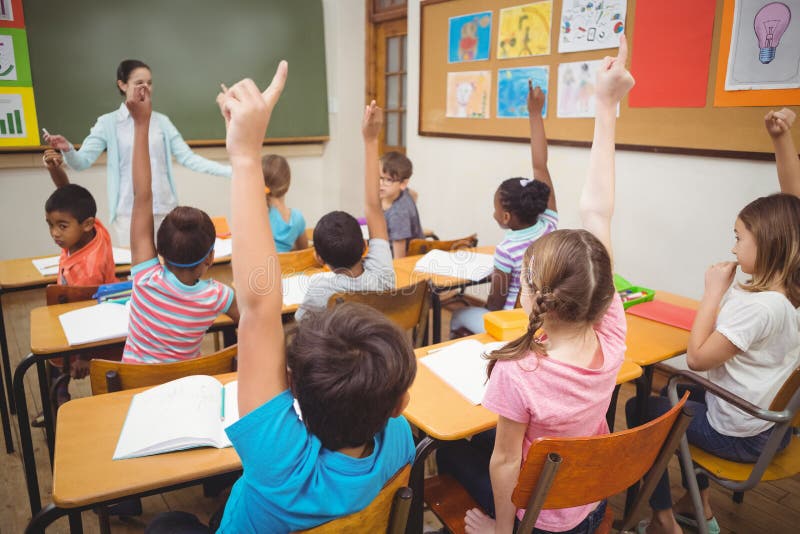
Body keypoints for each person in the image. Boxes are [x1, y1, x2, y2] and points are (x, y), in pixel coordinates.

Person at [146, 62, 417, 534]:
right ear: (399, 403)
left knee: (169, 523)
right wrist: (247, 158)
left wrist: (246, 156)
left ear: (291, 385)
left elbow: (257, 309)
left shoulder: (278, 464)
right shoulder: (402, 441)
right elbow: (260, 312)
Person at [436, 37, 635, 534]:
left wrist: (505, 532)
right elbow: (599, 211)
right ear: (600, 294)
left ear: (530, 293)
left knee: (449, 448)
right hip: (588, 503)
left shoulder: (518, 371)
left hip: (540, 519)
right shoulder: (611, 335)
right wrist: (607, 108)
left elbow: (505, 465)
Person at [628, 108, 800, 534]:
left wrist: (712, 294)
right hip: (773, 426)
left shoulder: (757, 307)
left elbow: (699, 358)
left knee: (642, 405)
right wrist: (782, 140)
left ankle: (664, 517)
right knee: (679, 393)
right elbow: (794, 206)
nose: (734, 246)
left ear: (772, 245)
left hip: (742, 433)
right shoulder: (791, 291)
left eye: (739, 238)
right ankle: (698, 499)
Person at [44, 59, 232, 246]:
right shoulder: (108, 123)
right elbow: (81, 162)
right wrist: (67, 148)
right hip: (129, 212)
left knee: (168, 265)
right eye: (139, 83)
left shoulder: (162, 122)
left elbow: (189, 158)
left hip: (164, 208)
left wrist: (232, 171)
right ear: (122, 85)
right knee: (140, 268)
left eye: (149, 83)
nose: (145, 87)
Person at [121, 83, 238, 364]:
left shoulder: (145, 278)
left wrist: (141, 123)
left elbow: (142, 196)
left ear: (159, 250)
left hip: (132, 395)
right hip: (184, 395)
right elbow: (249, 323)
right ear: (211, 257)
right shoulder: (218, 297)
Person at [449, 81, 557, 337]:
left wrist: (487, 320)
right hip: (545, 322)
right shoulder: (549, 224)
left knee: (457, 316)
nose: (493, 213)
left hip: (513, 326)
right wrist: (535, 113)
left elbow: (495, 303)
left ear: (506, 217)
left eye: (496, 209)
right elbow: (541, 166)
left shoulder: (506, 250)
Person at [294, 103, 395, 320]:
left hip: (339, 354)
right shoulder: (383, 275)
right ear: (365, 246)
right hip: (379, 352)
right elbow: (373, 207)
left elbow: (301, 323)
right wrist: (371, 139)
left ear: (319, 257)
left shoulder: (321, 289)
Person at [380, 151, 423, 257]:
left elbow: (399, 259)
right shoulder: (402, 192)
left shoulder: (398, 214)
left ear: (403, 183)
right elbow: (414, 194)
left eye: (388, 180)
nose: (381, 184)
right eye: (379, 177)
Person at [262, 154, 308, 252]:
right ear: (287, 184)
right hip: (287, 267)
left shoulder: (259, 216)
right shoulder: (297, 218)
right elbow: (303, 252)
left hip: (261, 266)